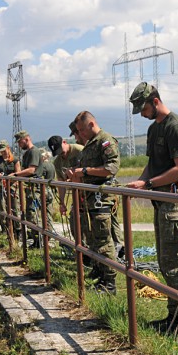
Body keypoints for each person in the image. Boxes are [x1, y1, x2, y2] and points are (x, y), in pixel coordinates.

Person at [126, 82, 178, 332]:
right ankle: (174, 316)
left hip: (175, 203)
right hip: (161, 201)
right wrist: (142, 182)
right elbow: (152, 164)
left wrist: (149, 183)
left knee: (174, 262)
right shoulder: (155, 129)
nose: (141, 114)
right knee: (165, 262)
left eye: (143, 109)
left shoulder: (175, 126)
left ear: (155, 102)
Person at [68, 111, 121, 294]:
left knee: (104, 240)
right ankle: (99, 273)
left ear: (91, 124)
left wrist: (85, 171)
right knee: (92, 238)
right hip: (88, 196)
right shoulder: (90, 144)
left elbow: (111, 168)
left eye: (82, 130)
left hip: (101, 197)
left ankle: (110, 282)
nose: (80, 134)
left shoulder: (105, 141)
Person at [13, 130, 49, 248]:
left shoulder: (34, 152)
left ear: (26, 139)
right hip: (29, 187)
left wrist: (16, 175)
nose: (19, 144)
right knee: (29, 213)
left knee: (33, 213)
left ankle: (39, 240)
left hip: (35, 187)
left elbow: (31, 170)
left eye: (20, 141)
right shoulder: (27, 153)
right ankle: (35, 238)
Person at [0, 140, 21, 236]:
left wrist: (10, 178)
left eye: (4, 150)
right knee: (2, 208)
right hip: (1, 187)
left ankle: (18, 230)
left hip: (12, 187)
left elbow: (19, 174)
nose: (2, 153)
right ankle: (5, 229)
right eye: (1, 151)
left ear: (8, 148)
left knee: (15, 208)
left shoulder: (15, 160)